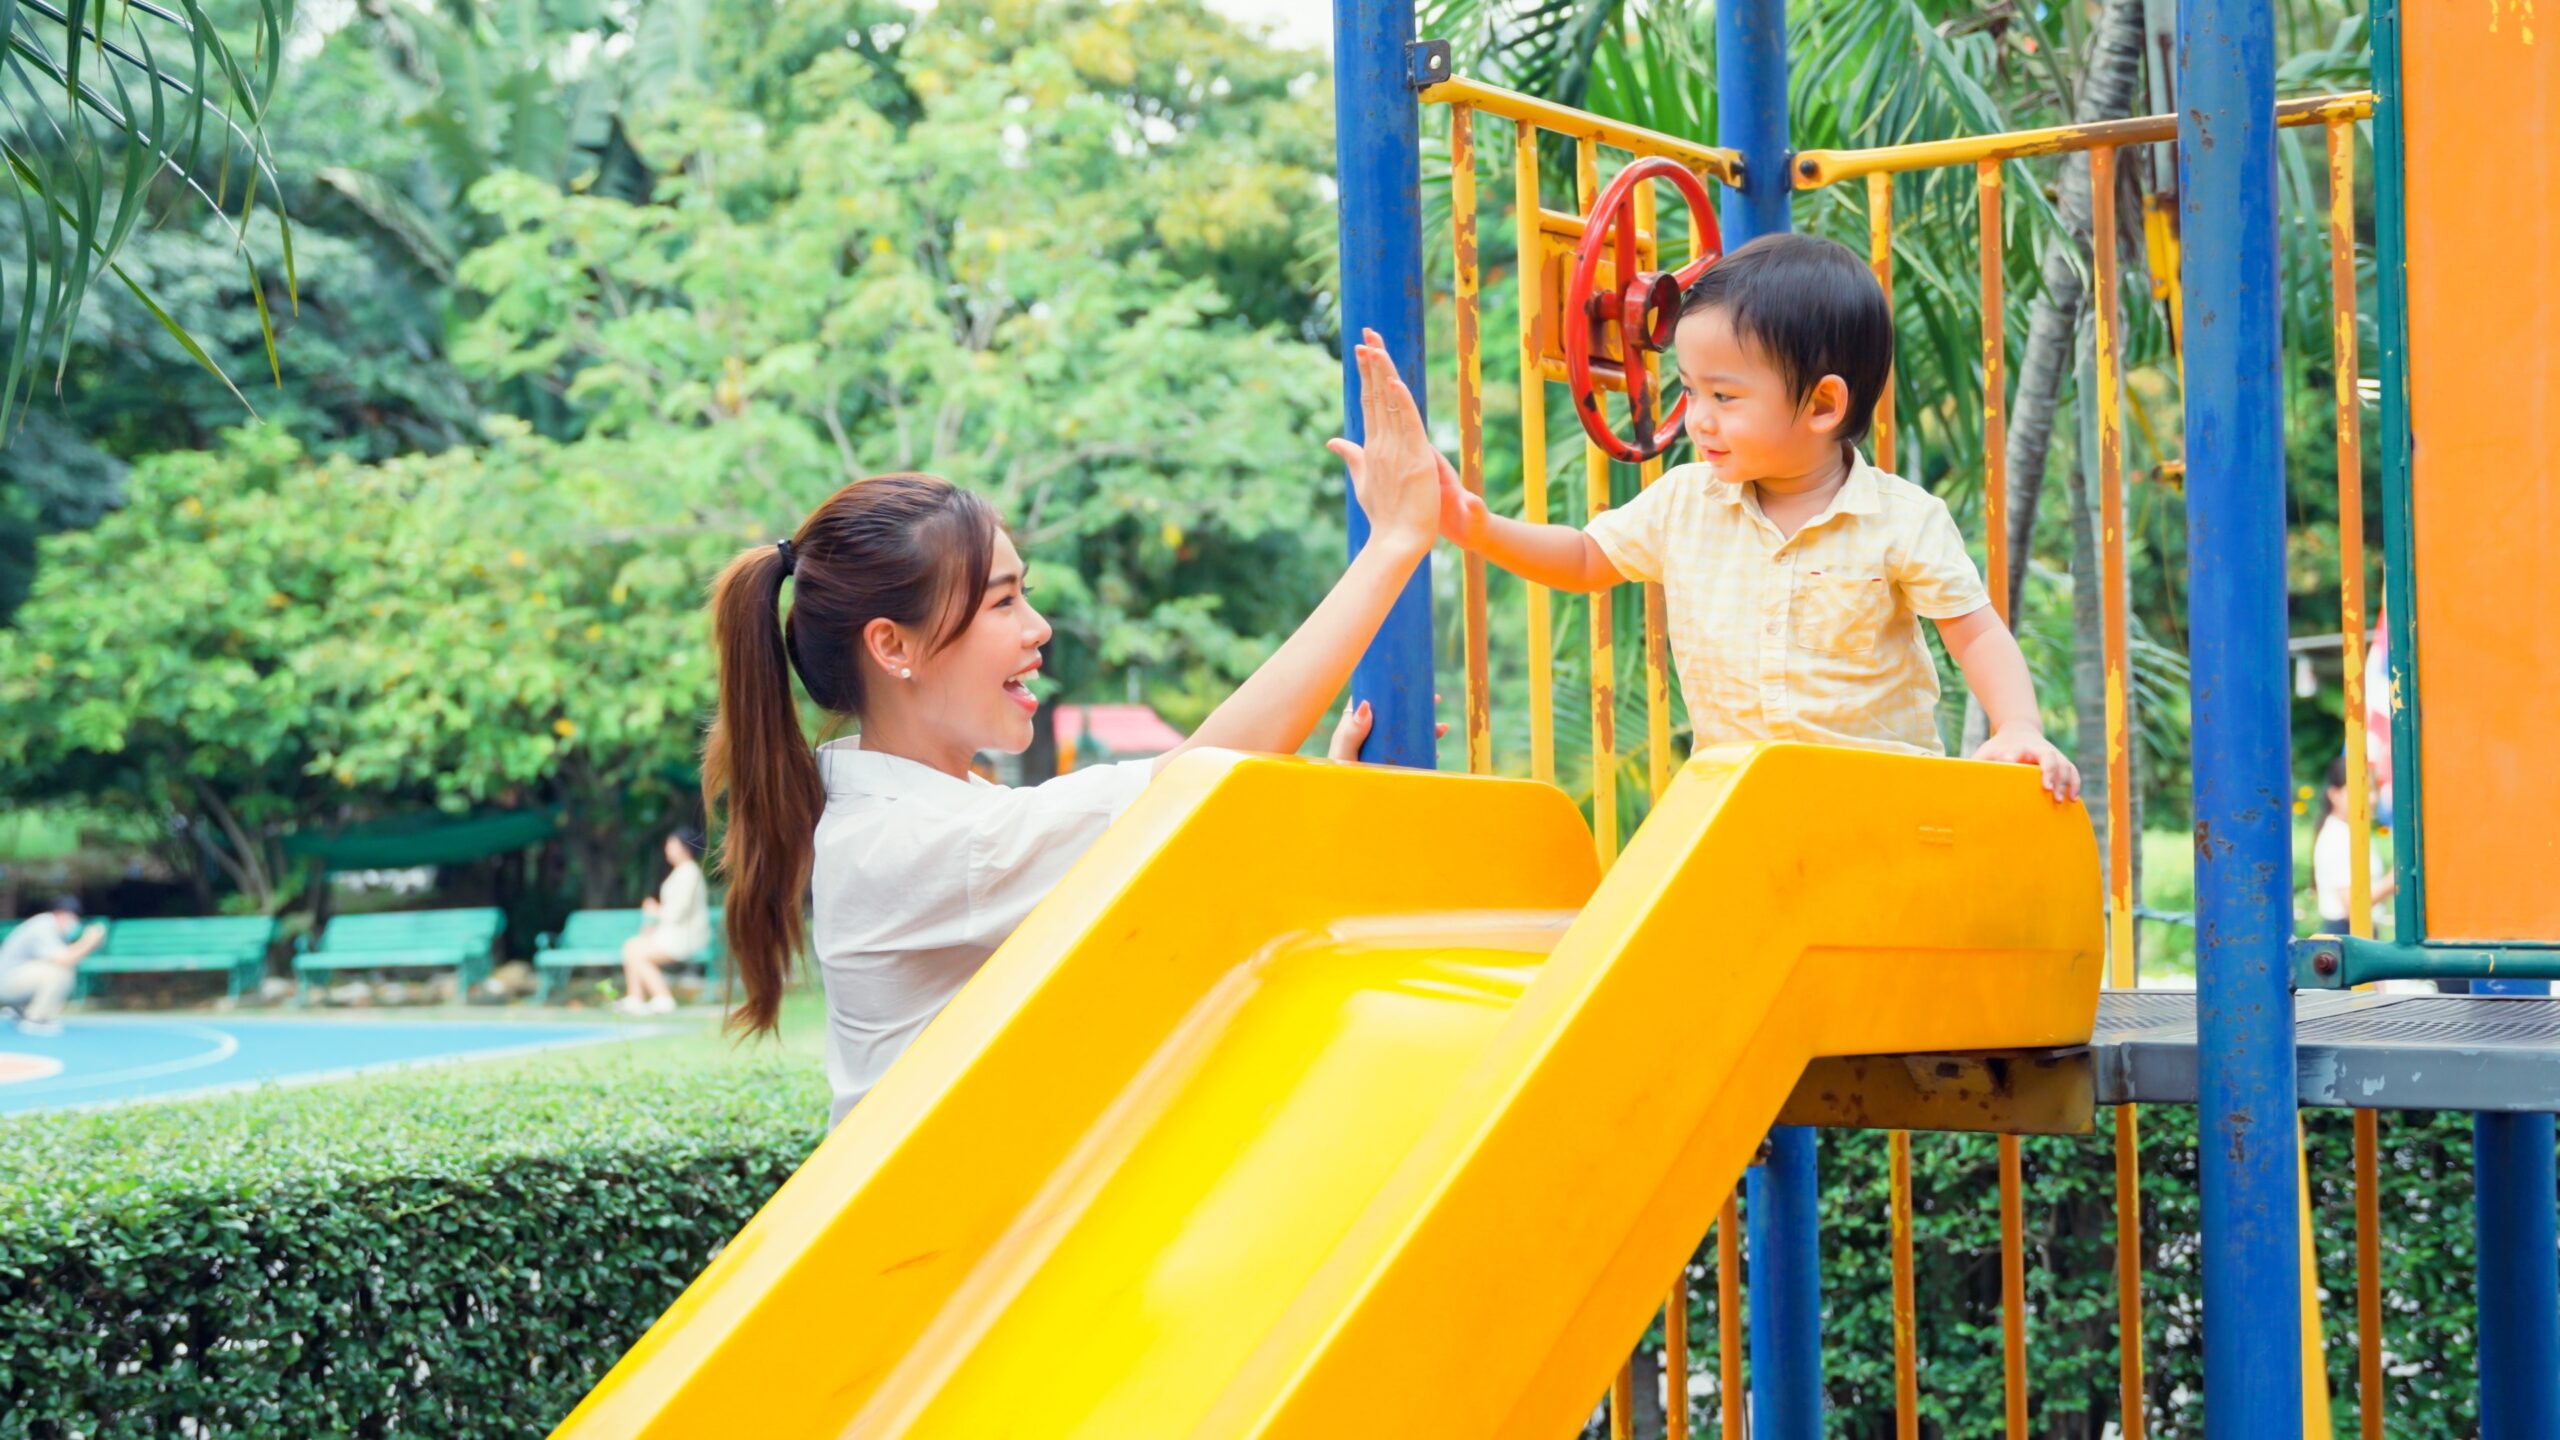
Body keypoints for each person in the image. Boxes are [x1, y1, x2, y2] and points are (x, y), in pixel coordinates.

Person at [706, 332, 1443, 1124]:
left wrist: (1320, 795)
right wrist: (1393, 543)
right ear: (893, 646)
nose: (1039, 627)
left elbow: (1176, 900)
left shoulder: (934, 818)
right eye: (1002, 602)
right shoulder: (925, 846)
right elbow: (1197, 777)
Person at [1423, 233, 2078, 798]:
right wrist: (1478, 528)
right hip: (1740, 806)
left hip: (1879, 805)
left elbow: (1979, 636)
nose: (1698, 417)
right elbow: (1587, 558)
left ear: (1823, 405)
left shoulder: (1901, 522)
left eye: (1725, 396)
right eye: (1689, 389)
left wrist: (2017, 726)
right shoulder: (1685, 502)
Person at [617, 830, 713, 1015]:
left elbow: (678, 912)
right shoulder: (680, 872)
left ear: (685, 848)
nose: (667, 848)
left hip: (686, 937)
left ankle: (663, 998)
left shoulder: (689, 872)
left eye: (672, 844)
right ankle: (635, 998)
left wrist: (656, 910)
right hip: (673, 935)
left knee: (636, 952)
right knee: (631, 946)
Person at [2312, 754, 2396, 936]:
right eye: (2361, 789)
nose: (2372, 798)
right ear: (2334, 795)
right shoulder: (2337, 837)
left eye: (2373, 789)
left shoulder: (2349, 831)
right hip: (2347, 934)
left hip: (2358, 931)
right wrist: (2394, 879)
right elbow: (2352, 904)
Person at [0, 897, 103, 1037]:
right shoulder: (43, 926)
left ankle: (19, 1010)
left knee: (54, 970)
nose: (75, 923)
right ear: (60, 914)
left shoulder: (54, 930)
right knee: (59, 972)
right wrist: (88, 941)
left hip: (11, 980)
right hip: (6, 983)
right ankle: (36, 1018)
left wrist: (90, 944)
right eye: (73, 918)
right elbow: (65, 959)